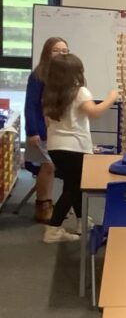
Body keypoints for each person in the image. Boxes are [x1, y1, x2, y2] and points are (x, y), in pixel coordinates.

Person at [42, 53, 118, 243]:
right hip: (75, 147)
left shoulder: (50, 94)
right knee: (72, 187)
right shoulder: (80, 92)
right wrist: (111, 98)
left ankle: (82, 222)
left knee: (73, 184)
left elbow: (48, 121)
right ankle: (53, 229)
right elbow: (94, 112)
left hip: (55, 146)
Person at [24, 36, 69, 222]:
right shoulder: (38, 75)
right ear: (47, 52)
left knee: (51, 168)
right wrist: (32, 131)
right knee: (47, 166)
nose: (60, 54)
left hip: (56, 130)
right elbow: (31, 104)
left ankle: (49, 204)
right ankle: (42, 206)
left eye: (64, 51)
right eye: (56, 50)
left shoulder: (64, 75)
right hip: (40, 130)